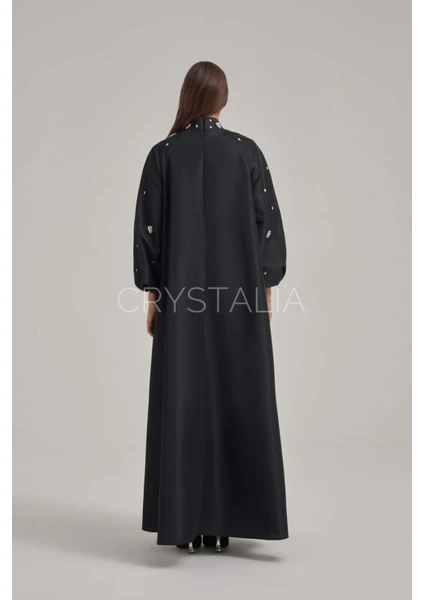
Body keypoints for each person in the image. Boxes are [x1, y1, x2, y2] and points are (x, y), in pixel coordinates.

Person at [133, 61, 288, 553]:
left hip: (181, 300)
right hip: (240, 297)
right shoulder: (246, 152)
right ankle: (225, 523)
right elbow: (268, 226)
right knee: (237, 395)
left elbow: (149, 233)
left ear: (188, 96)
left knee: (184, 396)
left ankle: (186, 523)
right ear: (223, 99)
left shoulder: (162, 155)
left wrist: (153, 296)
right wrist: (265, 288)